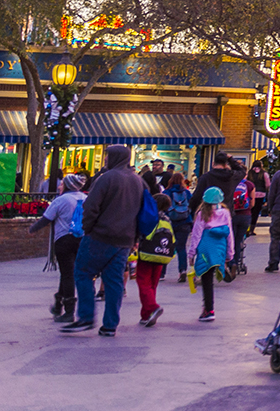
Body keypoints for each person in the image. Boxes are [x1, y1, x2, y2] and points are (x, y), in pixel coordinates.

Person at [60, 144, 144, 336]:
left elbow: (91, 206)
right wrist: (135, 237)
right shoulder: (137, 181)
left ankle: (86, 316)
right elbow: (141, 210)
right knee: (114, 280)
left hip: (101, 236)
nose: (105, 159)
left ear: (114, 157)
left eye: (107, 156)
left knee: (82, 272)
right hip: (125, 240)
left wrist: (87, 229)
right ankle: (110, 324)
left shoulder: (106, 178)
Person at [33, 174, 87, 322]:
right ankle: (58, 303)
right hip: (82, 239)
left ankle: (69, 311)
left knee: (68, 274)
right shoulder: (85, 198)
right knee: (69, 273)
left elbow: (46, 218)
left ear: (68, 186)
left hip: (64, 240)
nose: (59, 187)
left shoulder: (61, 200)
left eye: (62, 184)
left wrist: (32, 229)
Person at [188, 186, 233, 321]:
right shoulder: (225, 213)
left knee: (206, 281)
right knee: (212, 278)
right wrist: (230, 254)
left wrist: (191, 254)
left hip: (205, 249)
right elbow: (229, 234)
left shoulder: (202, 214)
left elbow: (196, 235)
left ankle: (208, 309)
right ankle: (209, 308)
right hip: (219, 249)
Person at [133, 193, 175, 328]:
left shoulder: (150, 217)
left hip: (147, 253)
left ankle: (152, 307)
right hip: (161, 255)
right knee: (152, 284)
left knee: (143, 282)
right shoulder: (167, 220)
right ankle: (146, 314)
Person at [166, 173, 195, 281]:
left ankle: (162, 273)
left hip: (169, 223)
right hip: (185, 222)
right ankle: (182, 270)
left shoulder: (167, 192)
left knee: (166, 247)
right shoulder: (187, 192)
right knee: (181, 248)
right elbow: (191, 206)